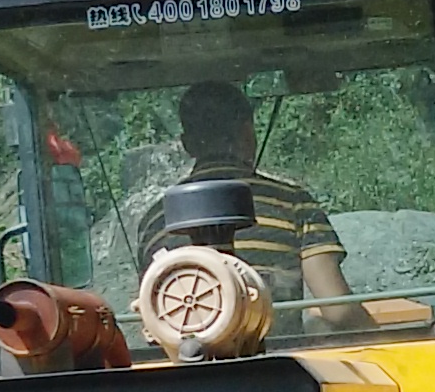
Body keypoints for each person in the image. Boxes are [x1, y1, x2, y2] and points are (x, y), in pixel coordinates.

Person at [142, 78, 356, 321]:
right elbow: (339, 311)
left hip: (185, 355)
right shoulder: (291, 203)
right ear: (247, 135)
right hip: (275, 354)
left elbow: (152, 314)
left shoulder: (155, 220)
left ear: (188, 145)